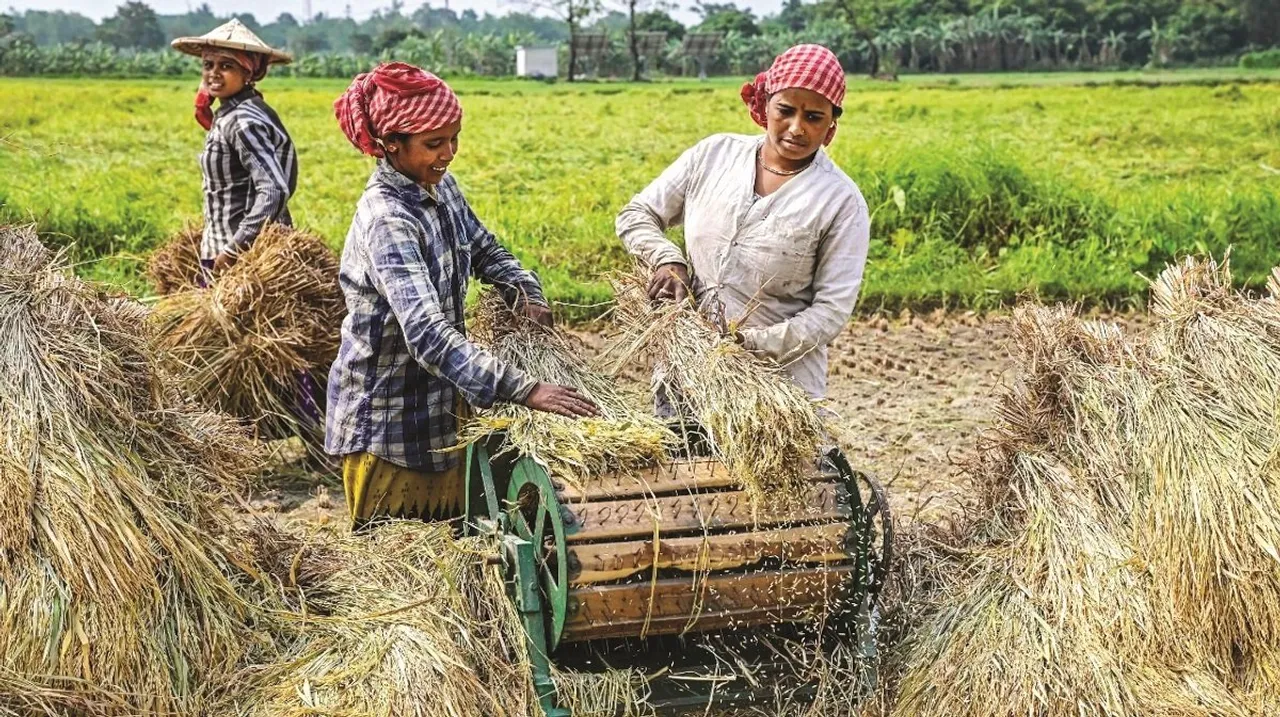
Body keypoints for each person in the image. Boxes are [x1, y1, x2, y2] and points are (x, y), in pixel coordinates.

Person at [327, 62, 598, 528]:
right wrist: (524, 388)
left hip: (440, 402)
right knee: (402, 561)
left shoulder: (440, 186)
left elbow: (484, 248)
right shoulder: (388, 219)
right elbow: (428, 334)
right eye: (434, 143)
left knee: (458, 539)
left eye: (454, 138)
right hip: (387, 418)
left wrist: (523, 290)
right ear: (392, 144)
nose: (448, 153)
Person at [616, 44, 869, 405]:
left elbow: (830, 313)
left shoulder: (840, 201)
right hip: (686, 375)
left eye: (814, 117)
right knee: (681, 460)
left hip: (778, 392)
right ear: (765, 105)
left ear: (831, 125)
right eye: (786, 110)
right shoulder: (714, 155)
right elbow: (636, 214)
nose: (797, 128)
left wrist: (749, 343)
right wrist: (666, 259)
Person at [171, 19, 297, 277]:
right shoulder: (231, 113)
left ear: (248, 73)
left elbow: (273, 189)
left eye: (226, 66)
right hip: (224, 248)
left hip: (243, 260)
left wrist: (233, 249)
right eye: (208, 65)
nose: (213, 73)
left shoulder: (243, 121)